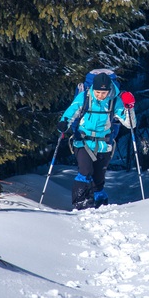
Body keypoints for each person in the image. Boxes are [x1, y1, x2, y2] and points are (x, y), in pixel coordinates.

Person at [57, 72, 136, 210]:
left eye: (103, 92)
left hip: (104, 144)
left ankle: (99, 200)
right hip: (83, 141)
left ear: (109, 90)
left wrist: (130, 107)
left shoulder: (114, 101)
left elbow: (130, 124)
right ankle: (80, 202)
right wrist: (64, 124)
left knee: (99, 176)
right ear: (93, 88)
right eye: (98, 92)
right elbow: (71, 113)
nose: (100, 95)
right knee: (85, 170)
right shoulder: (84, 97)